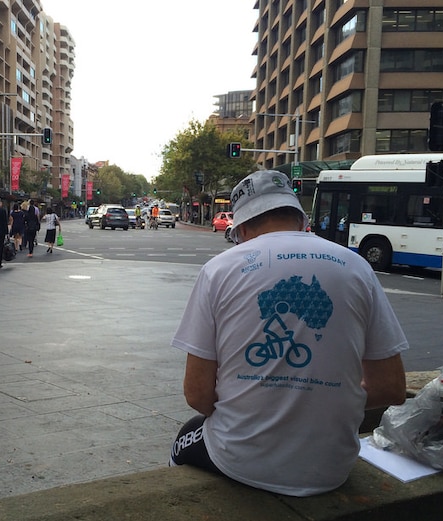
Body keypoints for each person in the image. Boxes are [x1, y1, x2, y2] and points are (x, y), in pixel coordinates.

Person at [169, 170, 408, 497]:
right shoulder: (357, 267)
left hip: (241, 461)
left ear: (242, 228)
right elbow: (391, 388)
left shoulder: (219, 270)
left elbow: (197, 394)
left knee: (185, 439)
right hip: (332, 467)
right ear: (300, 220)